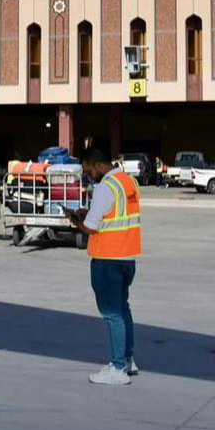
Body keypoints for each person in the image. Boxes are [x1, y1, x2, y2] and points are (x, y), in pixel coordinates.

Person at [63, 147, 142, 385]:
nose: (89, 176)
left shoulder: (105, 187)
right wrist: (89, 214)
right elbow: (114, 215)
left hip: (108, 259)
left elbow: (90, 227)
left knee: (112, 314)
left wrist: (75, 220)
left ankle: (117, 369)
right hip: (127, 257)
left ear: (98, 165)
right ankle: (127, 360)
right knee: (123, 309)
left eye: (88, 171)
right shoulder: (128, 182)